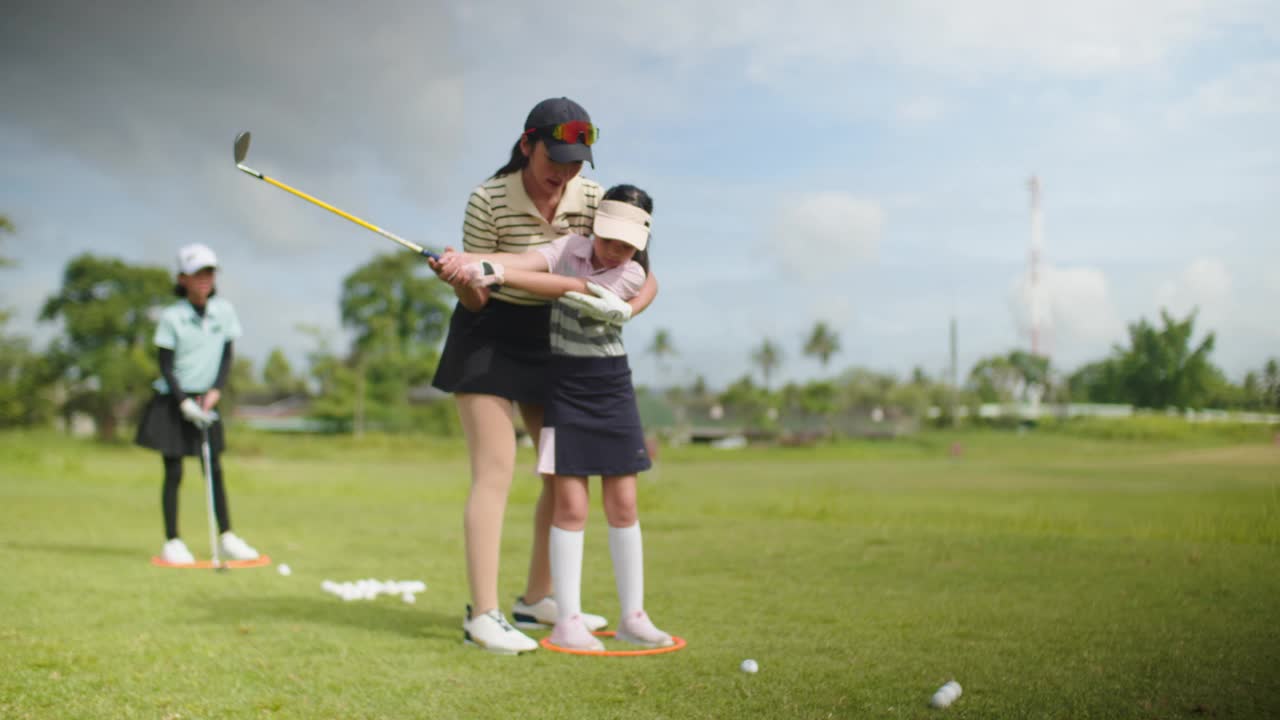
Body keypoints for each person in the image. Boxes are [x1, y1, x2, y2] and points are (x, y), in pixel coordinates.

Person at [428, 97, 658, 654]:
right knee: (496, 469)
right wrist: (460, 275)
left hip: (555, 337)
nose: (565, 171)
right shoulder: (488, 198)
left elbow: (636, 270)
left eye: (577, 161)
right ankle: (481, 614)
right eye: (555, 157)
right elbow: (479, 298)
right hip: (488, 336)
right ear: (527, 143)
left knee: (561, 475)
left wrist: (627, 308)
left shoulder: (591, 198)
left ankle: (535, 599)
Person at [135, 243, 259, 564]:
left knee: (214, 470)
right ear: (182, 279)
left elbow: (227, 356)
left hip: (208, 398)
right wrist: (183, 403)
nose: (205, 279)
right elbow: (164, 364)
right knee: (173, 471)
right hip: (173, 400)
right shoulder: (172, 317)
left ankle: (227, 536)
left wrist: (216, 391)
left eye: (209, 273)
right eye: (197, 274)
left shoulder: (225, 312)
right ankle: (172, 541)